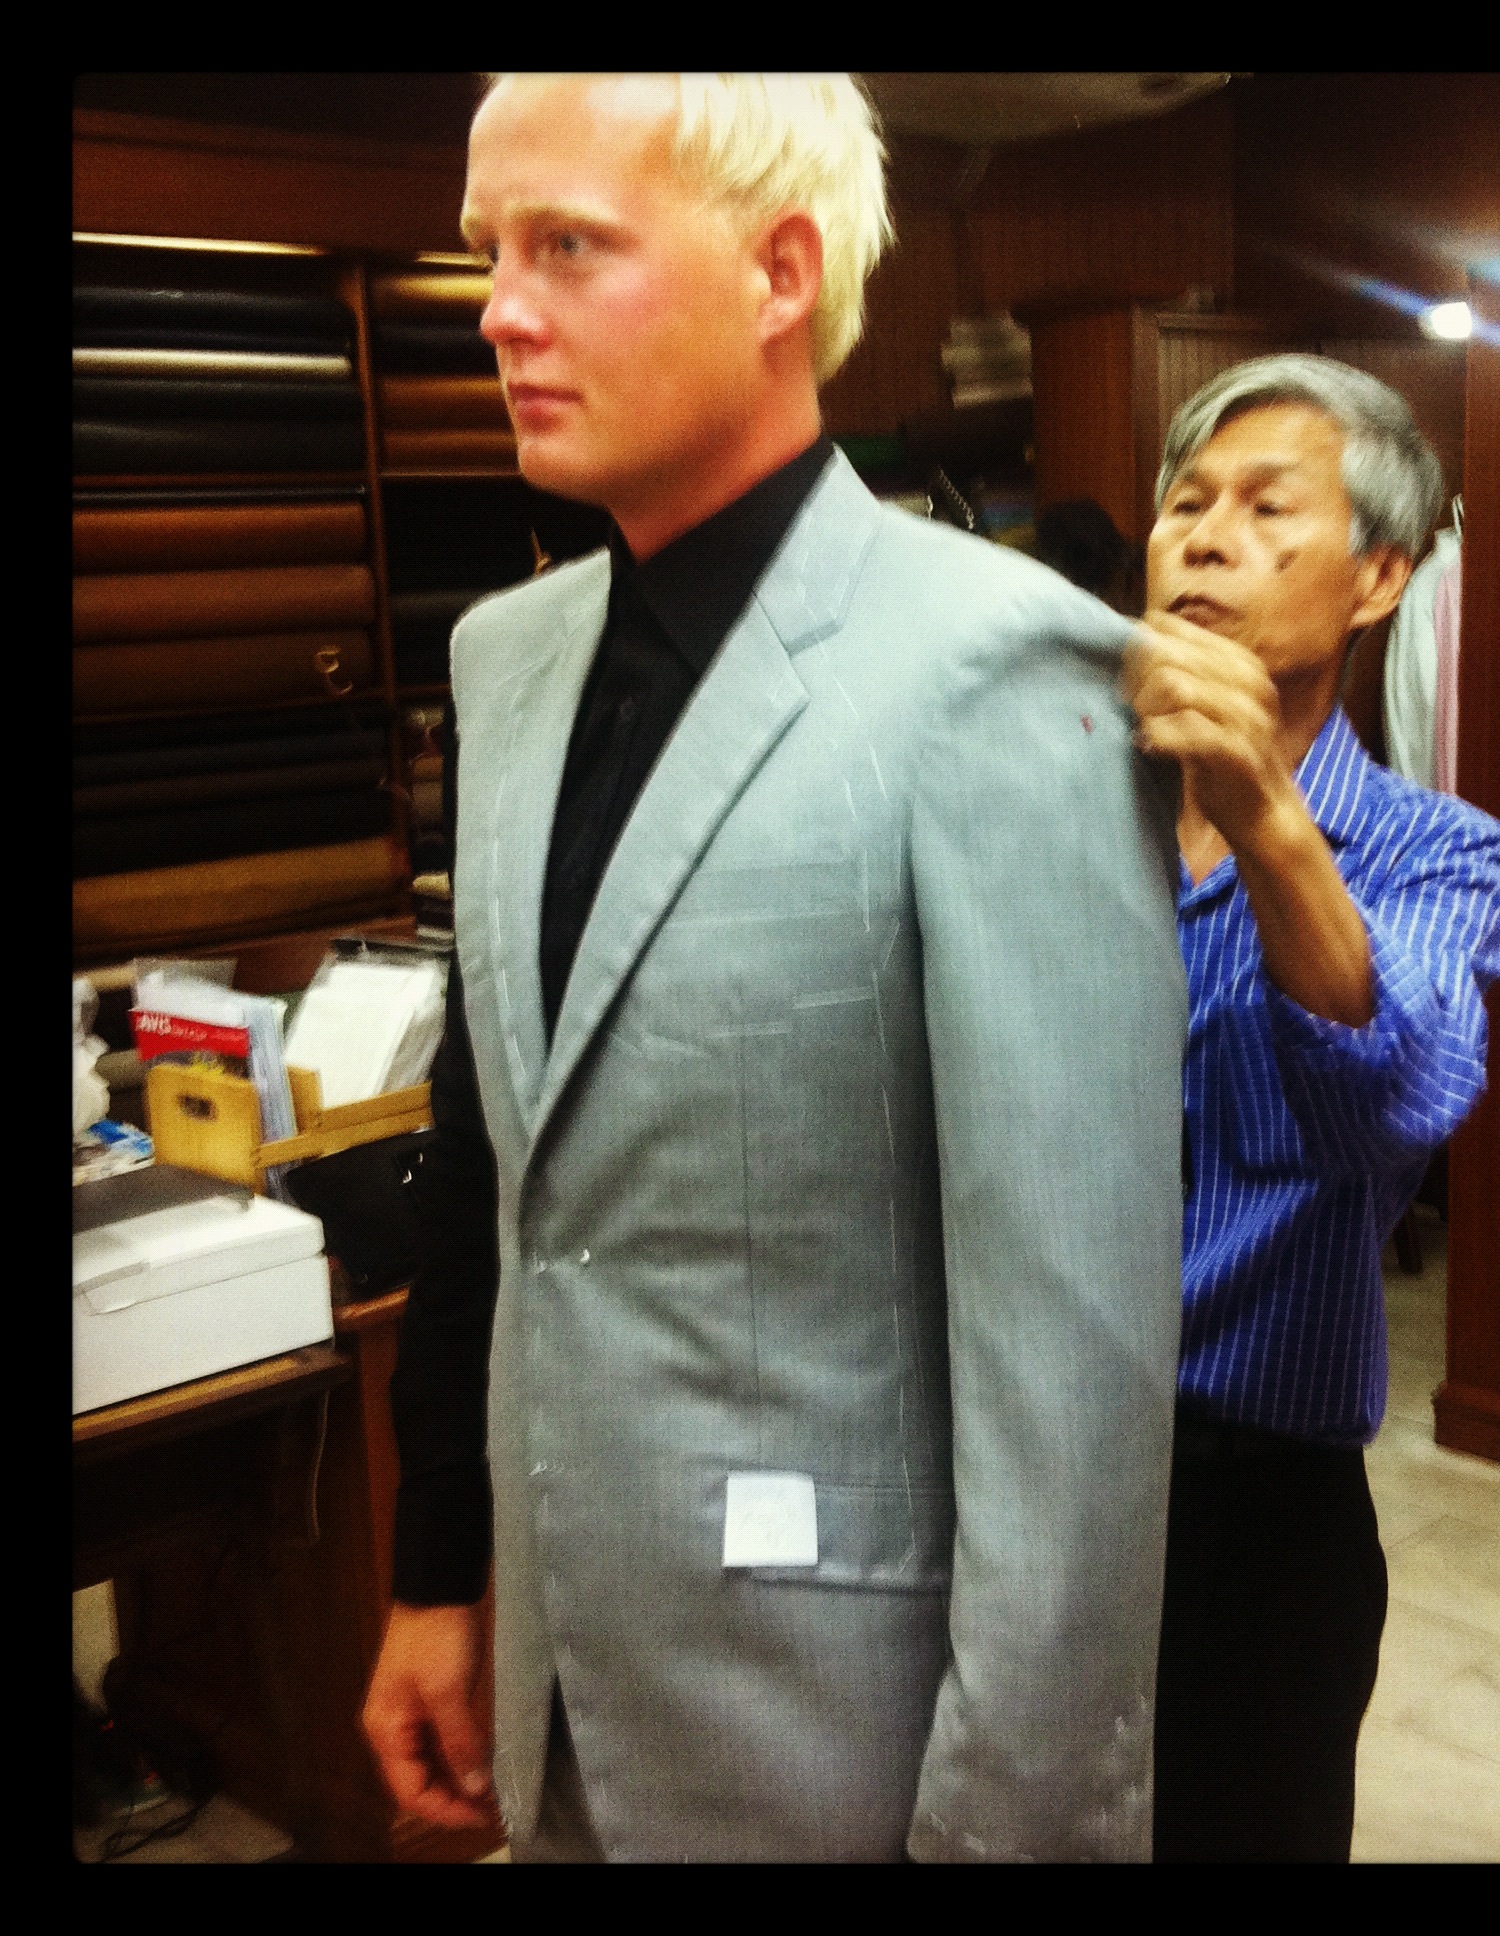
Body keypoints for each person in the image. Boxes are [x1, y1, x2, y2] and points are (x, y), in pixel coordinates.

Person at [360, 73, 1188, 1863]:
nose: (500, 309)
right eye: (491, 250)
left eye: (567, 246)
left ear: (780, 272)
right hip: (567, 1703)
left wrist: (1013, 1832)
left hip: (848, 1735)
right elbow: (492, 1163)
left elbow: (1074, 1379)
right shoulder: (507, 662)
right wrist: (440, 1568)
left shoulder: (1000, 671)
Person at [1121, 355, 1500, 1862]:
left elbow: (1395, 1104)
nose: (1206, 538)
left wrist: (1265, 816)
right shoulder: (1056, 808)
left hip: (1254, 1513)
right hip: (1023, 1468)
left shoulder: (1435, 850)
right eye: (1185, 504)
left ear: (1379, 577)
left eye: (1266, 507)